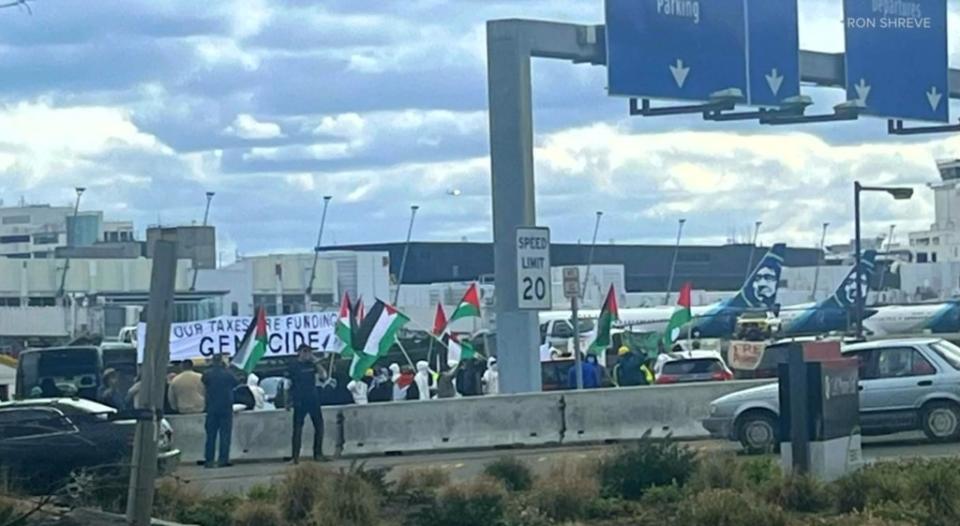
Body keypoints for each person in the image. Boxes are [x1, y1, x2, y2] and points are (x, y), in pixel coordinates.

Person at [287, 344, 326, 463]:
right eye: (304, 351)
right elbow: (288, 385)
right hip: (299, 400)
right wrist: (288, 401)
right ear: (299, 352)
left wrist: (316, 362)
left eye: (309, 351)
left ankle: (318, 454)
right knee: (297, 429)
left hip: (313, 399)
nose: (307, 354)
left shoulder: (312, 365)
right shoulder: (293, 366)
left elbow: (323, 377)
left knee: (319, 426)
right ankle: (295, 457)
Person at [201, 354, 238, 468]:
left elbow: (204, 381)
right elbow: (236, 382)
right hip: (226, 407)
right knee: (225, 434)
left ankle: (209, 460)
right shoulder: (228, 373)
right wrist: (227, 367)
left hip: (212, 407)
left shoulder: (207, 374)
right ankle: (223, 459)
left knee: (210, 435)